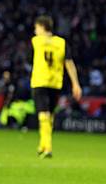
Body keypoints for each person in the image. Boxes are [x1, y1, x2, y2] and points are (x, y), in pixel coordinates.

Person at [30, 16, 82, 158]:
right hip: (55, 83)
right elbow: (69, 63)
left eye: (36, 28)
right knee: (49, 116)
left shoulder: (36, 41)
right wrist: (75, 83)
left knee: (43, 115)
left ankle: (48, 147)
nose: (35, 31)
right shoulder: (61, 43)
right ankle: (42, 144)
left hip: (40, 82)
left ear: (41, 26)